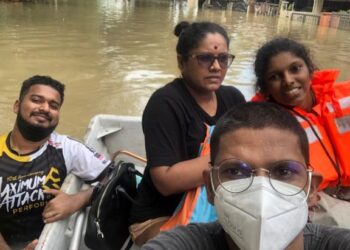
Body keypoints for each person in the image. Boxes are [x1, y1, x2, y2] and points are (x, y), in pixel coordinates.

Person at [141, 102, 350, 250]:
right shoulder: (183, 244)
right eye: (235, 171)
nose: (261, 193)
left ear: (311, 189)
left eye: (284, 172)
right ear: (211, 187)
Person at [129, 21, 246, 246]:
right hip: (161, 215)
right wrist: (231, 160)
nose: (216, 66)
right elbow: (166, 181)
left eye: (223, 58)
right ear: (182, 62)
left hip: (219, 205)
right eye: (205, 58)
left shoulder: (234, 98)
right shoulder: (165, 104)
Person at [0, 75, 111, 250]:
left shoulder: (68, 148)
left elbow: (116, 176)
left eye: (54, 105)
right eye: (37, 100)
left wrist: (77, 200)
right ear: (16, 106)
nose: (45, 108)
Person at [252, 37, 350, 227]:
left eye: (295, 68)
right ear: (265, 88)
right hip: (315, 202)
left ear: (310, 69)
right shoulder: (262, 124)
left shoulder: (344, 97)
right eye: (275, 77)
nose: (288, 81)